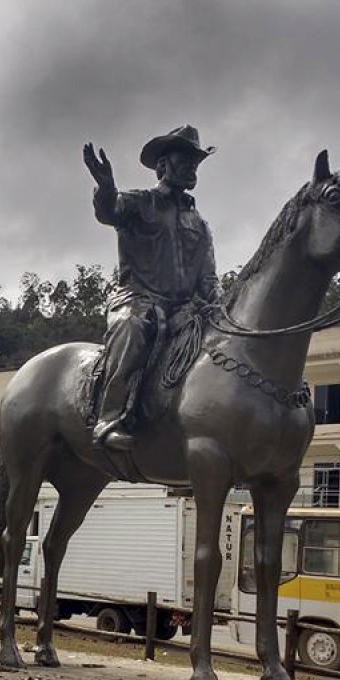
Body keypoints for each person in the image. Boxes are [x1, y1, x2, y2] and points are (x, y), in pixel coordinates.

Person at [83, 125, 220, 451]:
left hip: (187, 310)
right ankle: (109, 418)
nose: (191, 166)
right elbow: (108, 211)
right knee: (132, 328)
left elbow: (209, 279)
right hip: (138, 300)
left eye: (195, 161)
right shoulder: (138, 203)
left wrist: (221, 308)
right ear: (161, 167)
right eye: (184, 159)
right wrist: (105, 187)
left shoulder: (199, 224)